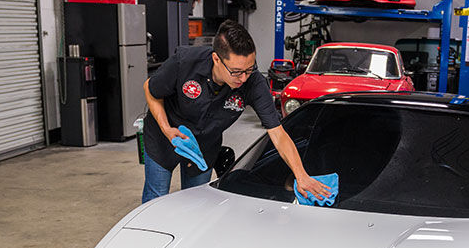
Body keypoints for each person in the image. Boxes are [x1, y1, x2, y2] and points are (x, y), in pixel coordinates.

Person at [141, 19, 330, 203]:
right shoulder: (185, 62)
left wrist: (301, 175)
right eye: (236, 71)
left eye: (250, 69)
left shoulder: (254, 83)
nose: (244, 78)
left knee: (195, 200)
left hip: (205, 144)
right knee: (156, 198)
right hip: (163, 138)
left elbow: (278, 133)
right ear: (216, 58)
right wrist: (166, 129)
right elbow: (150, 89)